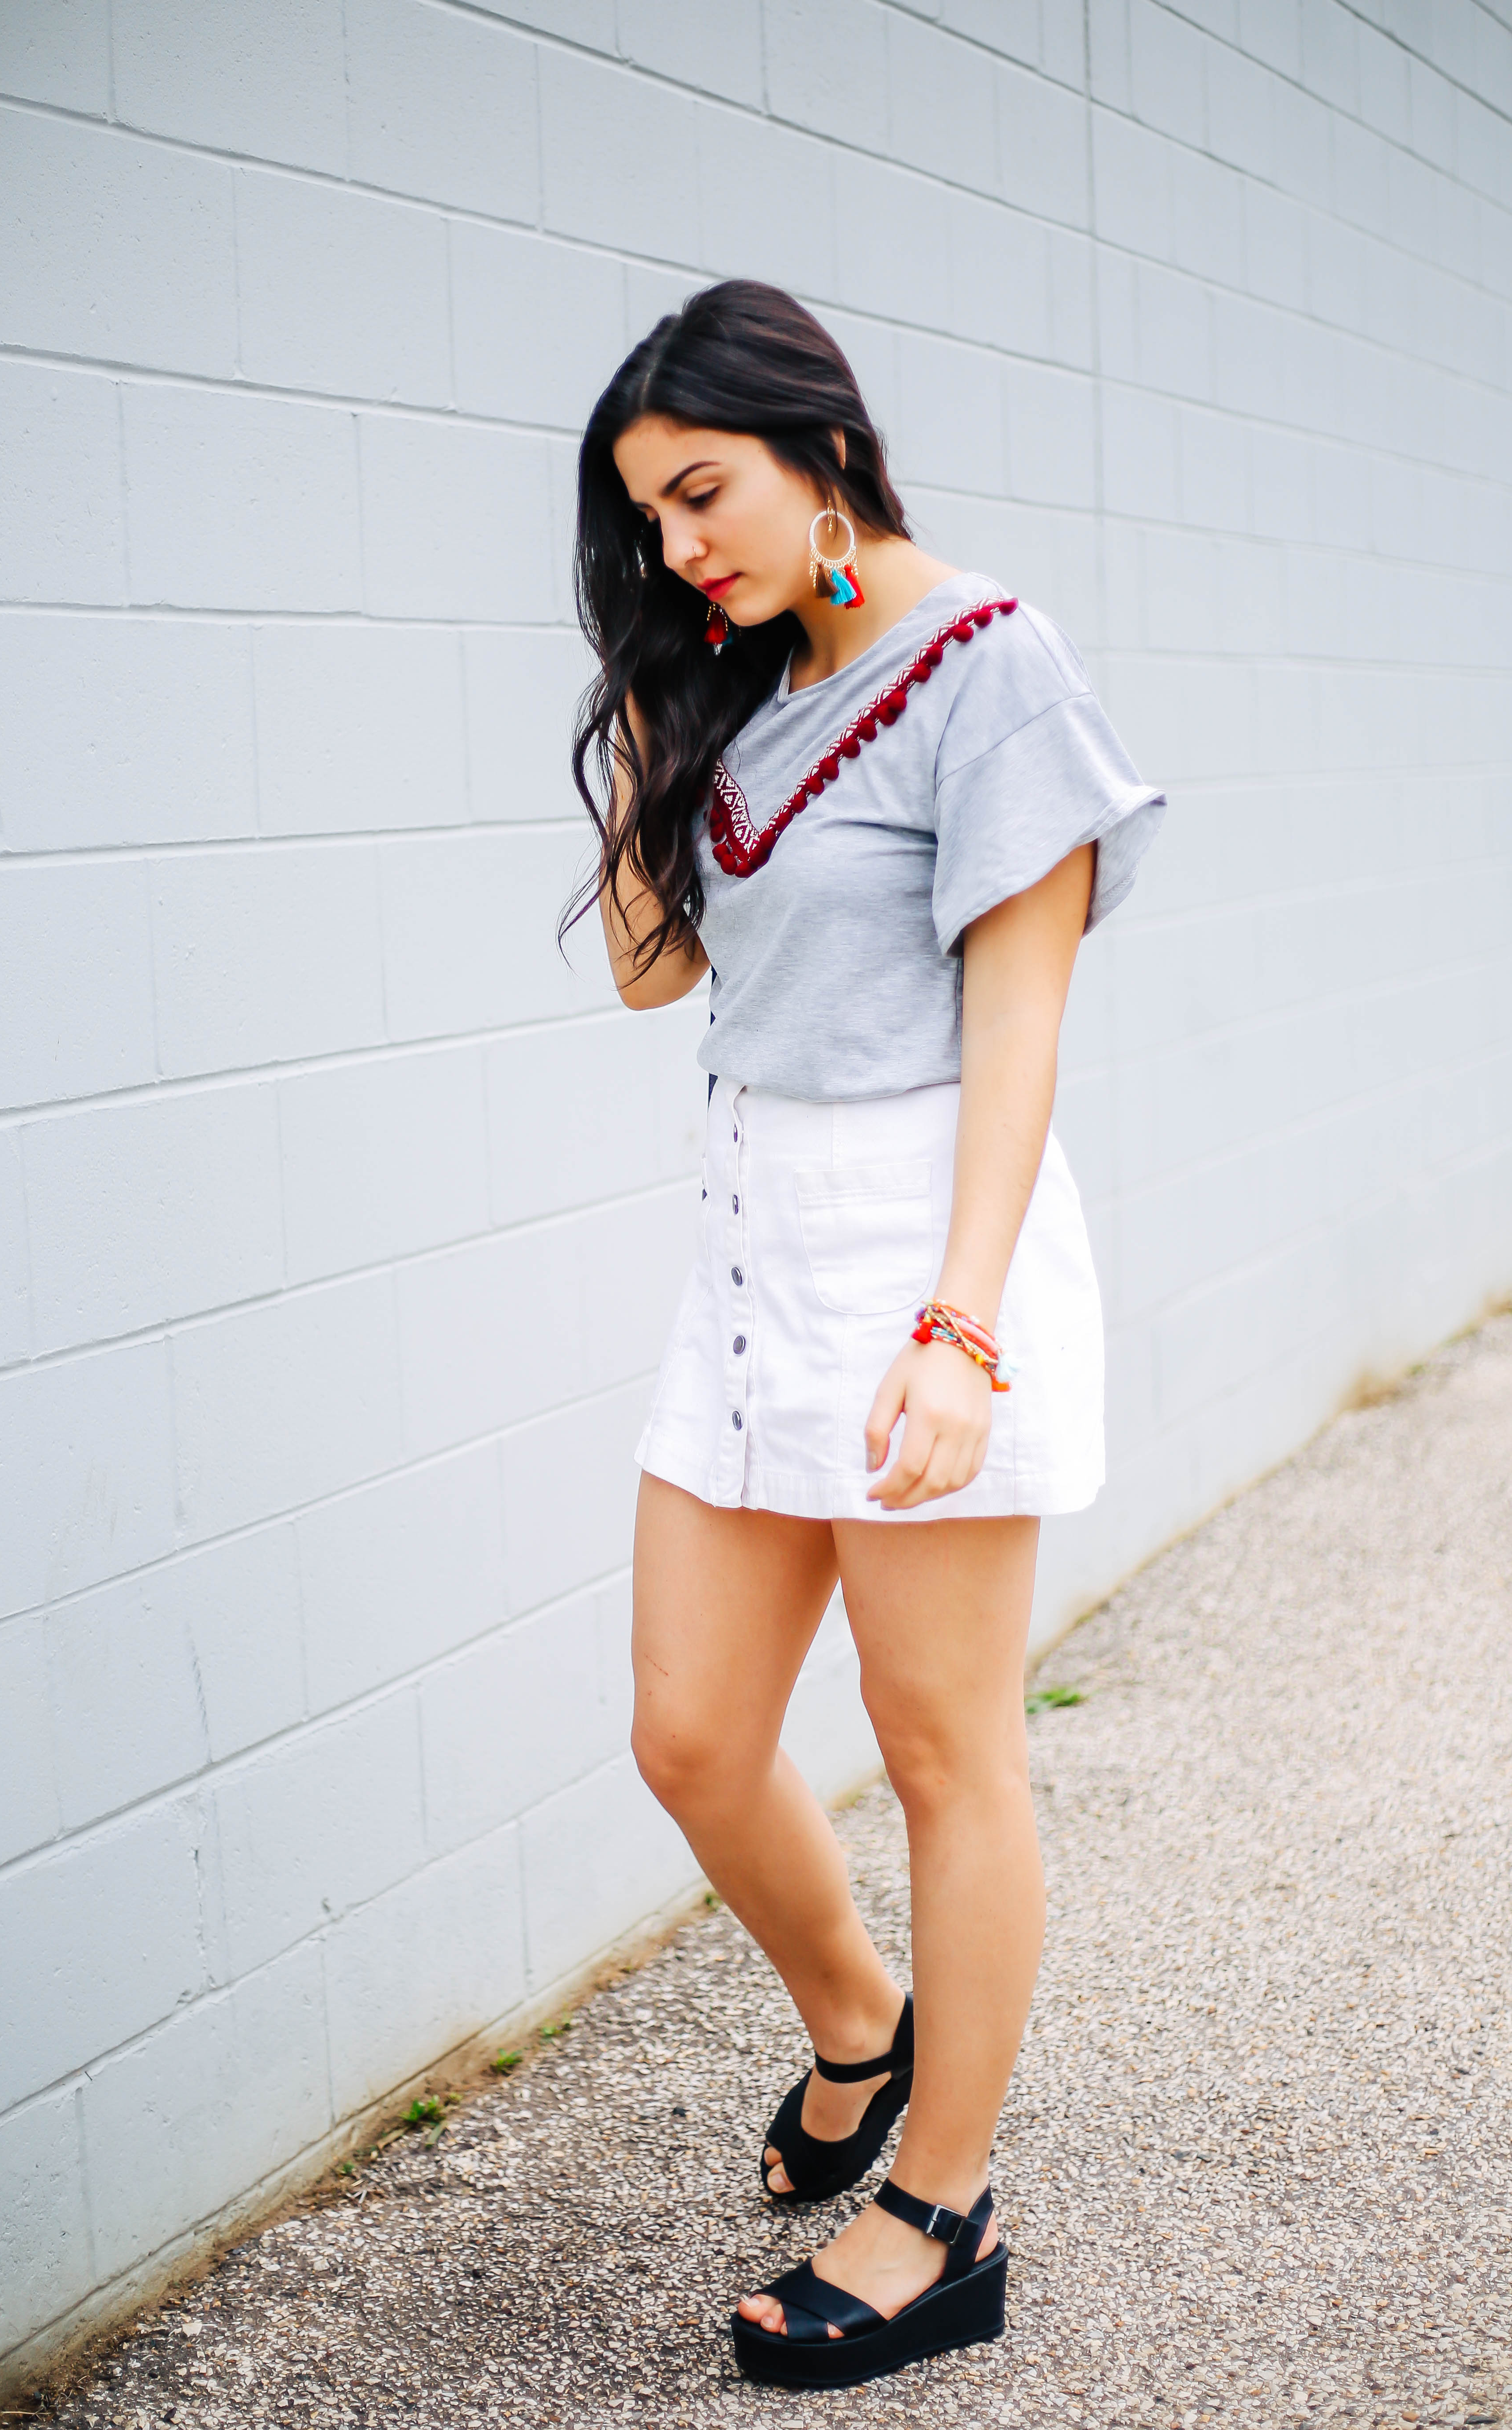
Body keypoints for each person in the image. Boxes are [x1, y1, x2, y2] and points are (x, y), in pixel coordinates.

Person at [566, 280, 1163, 2392]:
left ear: (821, 442)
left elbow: (1022, 1020)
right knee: (692, 1730)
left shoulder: (986, 663)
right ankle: (854, 2015)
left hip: (924, 1241)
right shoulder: (737, 678)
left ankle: (942, 2198)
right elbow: (657, 981)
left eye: (700, 495)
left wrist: (957, 1327)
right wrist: (652, 710)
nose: (676, 547)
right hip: (746, 1238)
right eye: (645, 520)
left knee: (939, 1747)